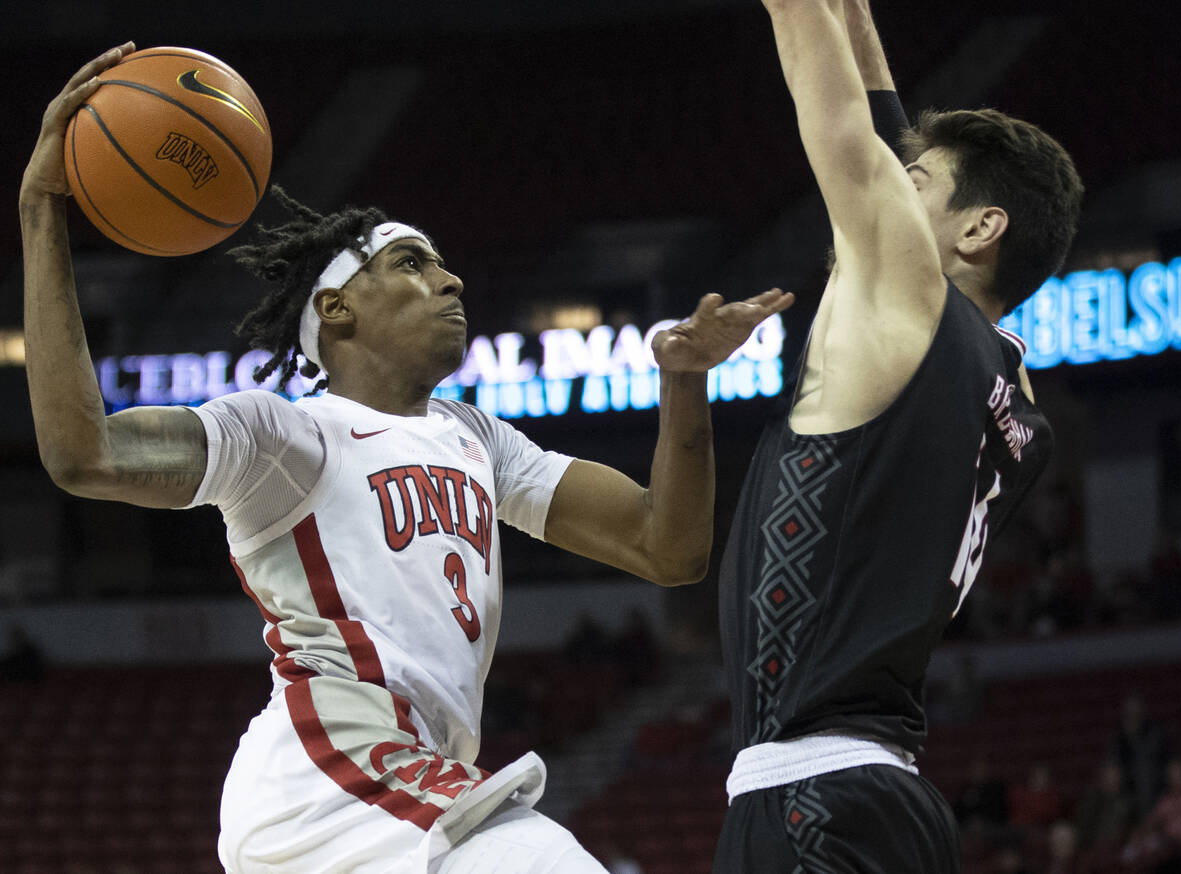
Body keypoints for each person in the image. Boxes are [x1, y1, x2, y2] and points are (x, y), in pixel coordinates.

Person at [20, 44, 794, 874]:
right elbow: (85, 454)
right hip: (329, 772)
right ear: (337, 308)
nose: (452, 280)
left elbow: (666, 549)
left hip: (407, 780)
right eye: (413, 263)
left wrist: (683, 383)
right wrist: (41, 215)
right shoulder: (285, 435)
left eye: (445, 263)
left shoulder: (478, 438)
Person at [713, 1, 1082, 871]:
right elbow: (883, 134)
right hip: (891, 801)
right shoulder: (1021, 412)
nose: (889, 181)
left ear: (979, 228)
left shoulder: (907, 300)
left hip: (813, 802)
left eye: (914, 182)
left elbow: (841, 125)